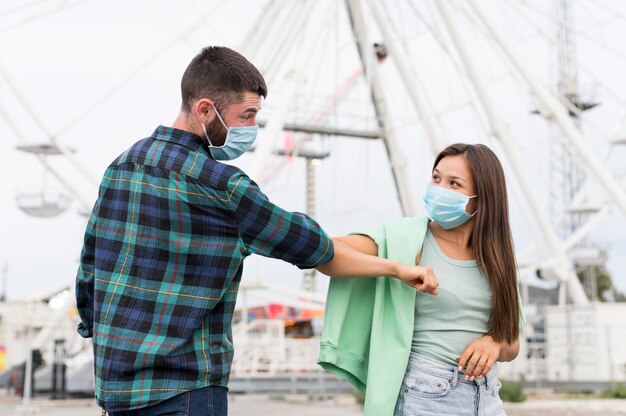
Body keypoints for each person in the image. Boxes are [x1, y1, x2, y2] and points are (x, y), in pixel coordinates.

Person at [75, 46, 437, 416]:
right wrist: (396, 267)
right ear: (204, 110)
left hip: (117, 389)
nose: (251, 129)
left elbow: (89, 273)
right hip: (184, 389)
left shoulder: (121, 166)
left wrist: (105, 346)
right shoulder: (224, 187)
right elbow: (315, 248)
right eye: (246, 116)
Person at [317, 143, 523, 416]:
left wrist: (494, 343)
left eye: (454, 184)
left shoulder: (497, 258)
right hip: (426, 394)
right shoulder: (407, 238)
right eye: (436, 178)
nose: (439, 189)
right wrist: (396, 268)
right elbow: (325, 252)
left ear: (482, 197)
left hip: (488, 399)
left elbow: (512, 345)